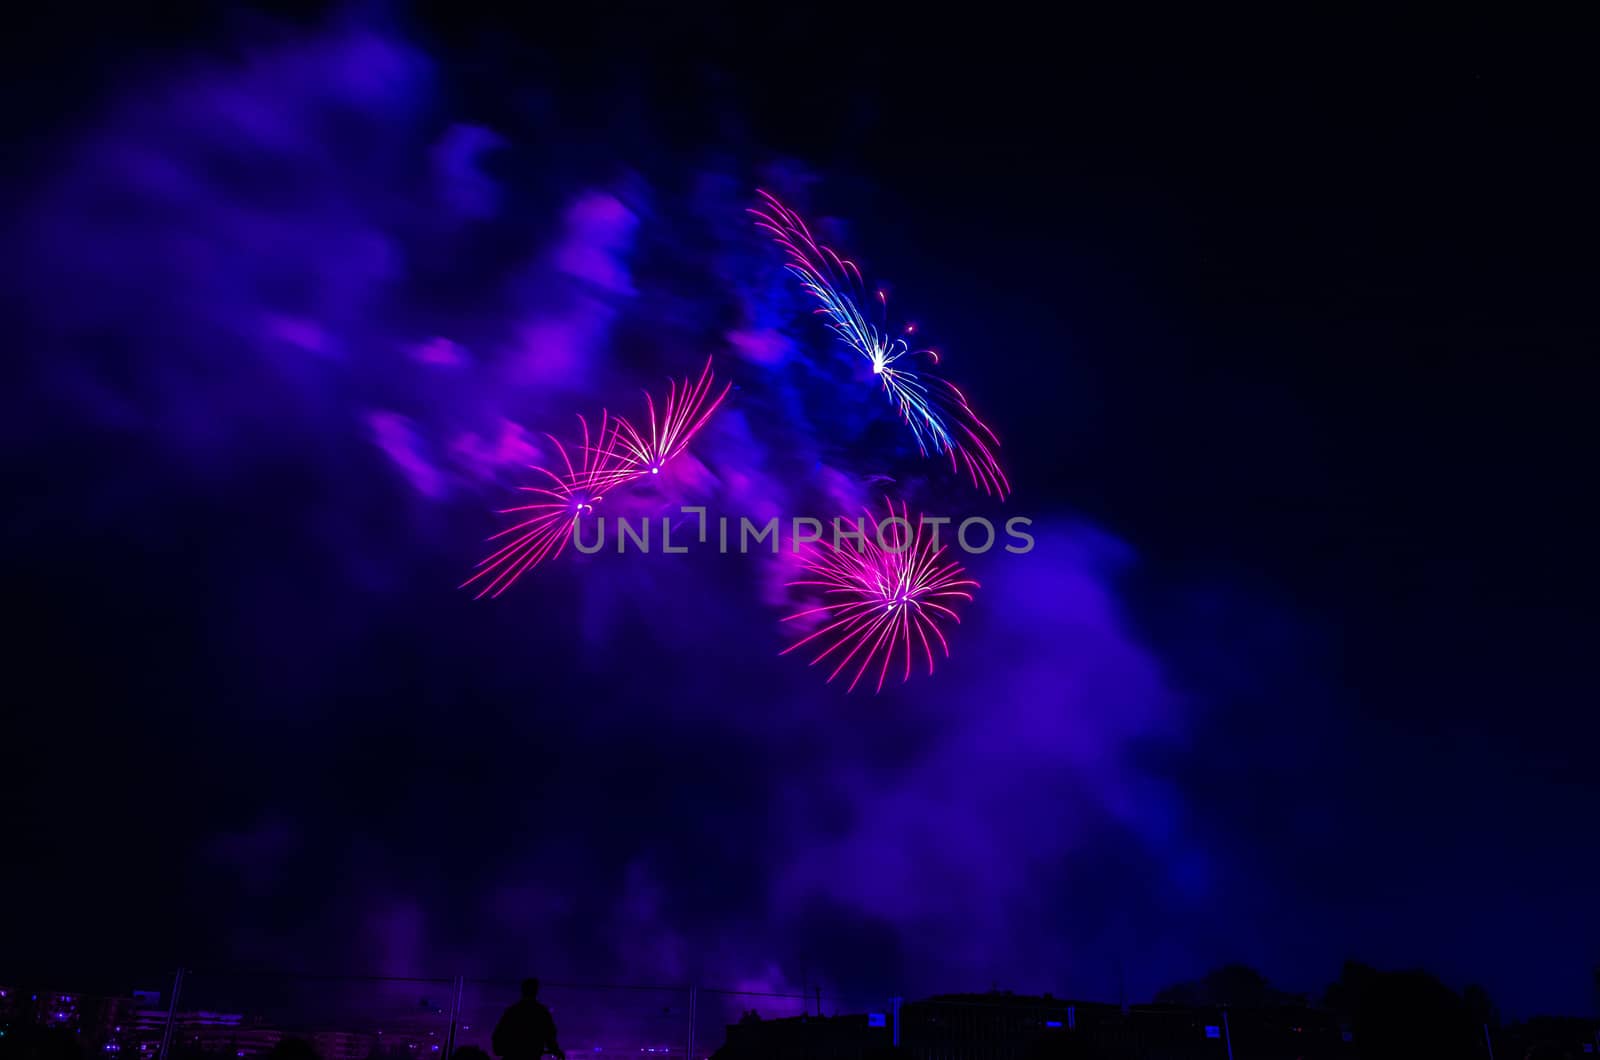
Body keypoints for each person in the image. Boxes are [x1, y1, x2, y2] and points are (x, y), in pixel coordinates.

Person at [492, 978, 564, 1060]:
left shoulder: (512, 1011)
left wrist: (502, 1050)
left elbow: (499, 1034)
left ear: (522, 991)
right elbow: (550, 1036)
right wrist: (555, 1050)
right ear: (536, 991)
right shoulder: (541, 1012)